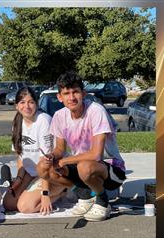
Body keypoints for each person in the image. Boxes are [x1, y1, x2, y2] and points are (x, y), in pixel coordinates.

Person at [37, 71, 126, 221]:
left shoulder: (96, 111)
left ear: (83, 93)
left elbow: (96, 155)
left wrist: (64, 161)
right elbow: (60, 149)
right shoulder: (59, 116)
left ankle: (103, 201)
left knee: (84, 166)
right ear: (59, 97)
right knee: (42, 167)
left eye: (75, 92)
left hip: (111, 170)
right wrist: (53, 156)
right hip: (82, 167)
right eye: (66, 93)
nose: (71, 97)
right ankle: (85, 196)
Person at [2, 87, 66, 215]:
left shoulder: (43, 120)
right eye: (22, 102)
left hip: (52, 172)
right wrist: (19, 180)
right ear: (16, 106)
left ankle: (63, 190)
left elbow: (47, 162)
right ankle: (34, 190)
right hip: (31, 174)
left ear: (36, 104)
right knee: (8, 204)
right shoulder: (17, 122)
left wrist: (45, 194)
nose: (27, 106)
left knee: (25, 207)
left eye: (31, 102)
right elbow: (21, 157)